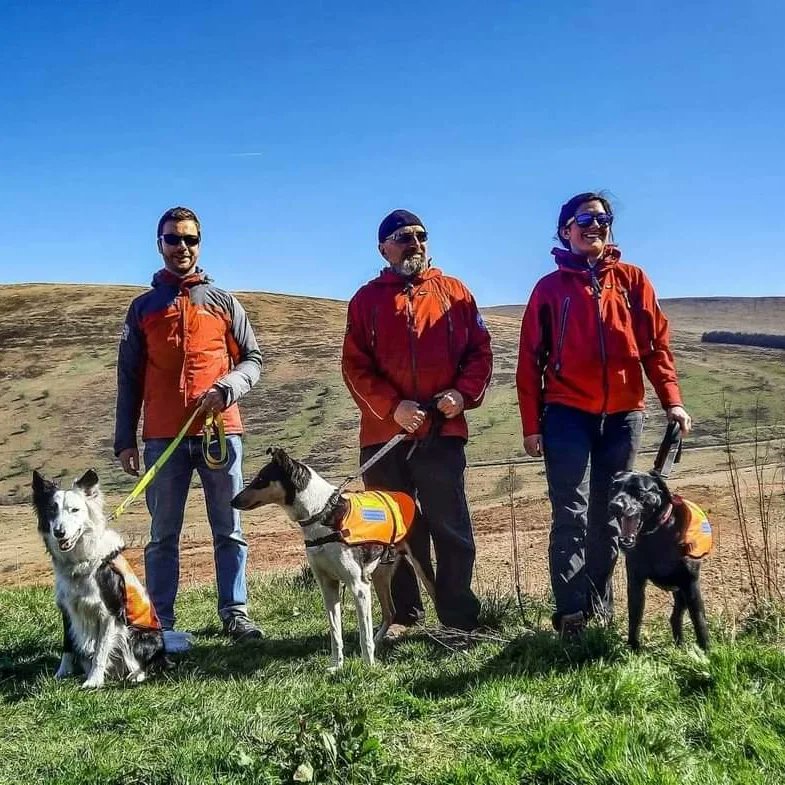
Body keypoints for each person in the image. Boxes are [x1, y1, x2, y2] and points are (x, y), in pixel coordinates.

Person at [515, 192, 691, 637]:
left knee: (611, 514)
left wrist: (672, 399)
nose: (595, 225)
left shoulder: (633, 281)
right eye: (584, 219)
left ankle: (601, 611)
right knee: (569, 514)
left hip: (624, 416)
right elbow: (529, 362)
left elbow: (655, 347)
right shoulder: (549, 290)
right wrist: (532, 425)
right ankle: (572, 616)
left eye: (603, 218)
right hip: (567, 415)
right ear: (564, 230)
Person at [114, 206, 264, 641]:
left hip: (222, 432)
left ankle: (235, 613)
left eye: (190, 239)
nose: (182, 247)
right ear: (159, 244)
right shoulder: (142, 308)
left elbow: (253, 360)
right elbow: (129, 377)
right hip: (163, 437)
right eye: (173, 239)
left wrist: (228, 387)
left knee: (229, 529)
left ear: (200, 244)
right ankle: (159, 620)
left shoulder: (223, 301)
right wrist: (125, 440)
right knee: (162, 534)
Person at [341, 209, 493, 636]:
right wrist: (393, 408)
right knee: (394, 529)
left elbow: (480, 352)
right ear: (382, 248)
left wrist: (462, 394)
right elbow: (354, 367)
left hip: (442, 434)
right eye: (402, 236)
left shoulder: (454, 292)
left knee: (451, 527)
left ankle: (459, 618)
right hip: (384, 437)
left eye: (420, 235)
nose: (414, 242)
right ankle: (405, 617)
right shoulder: (366, 300)